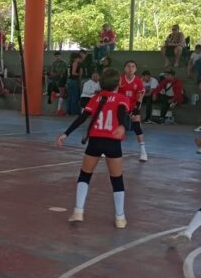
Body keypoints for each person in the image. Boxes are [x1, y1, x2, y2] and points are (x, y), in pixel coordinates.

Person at [56, 68, 130, 228]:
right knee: (117, 179)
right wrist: (122, 126)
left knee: (85, 175)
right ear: (118, 83)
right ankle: (120, 217)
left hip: (95, 141)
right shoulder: (122, 98)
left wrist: (66, 134)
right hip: (112, 142)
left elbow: (82, 118)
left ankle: (78, 210)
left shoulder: (95, 98)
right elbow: (121, 113)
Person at [118, 60, 147, 162]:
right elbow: (116, 94)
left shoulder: (138, 81)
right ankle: (110, 149)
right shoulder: (120, 80)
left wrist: (135, 109)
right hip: (121, 107)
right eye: (128, 66)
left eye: (133, 66)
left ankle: (143, 152)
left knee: (137, 127)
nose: (131, 68)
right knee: (116, 127)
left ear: (136, 69)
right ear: (124, 68)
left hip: (134, 107)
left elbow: (140, 96)